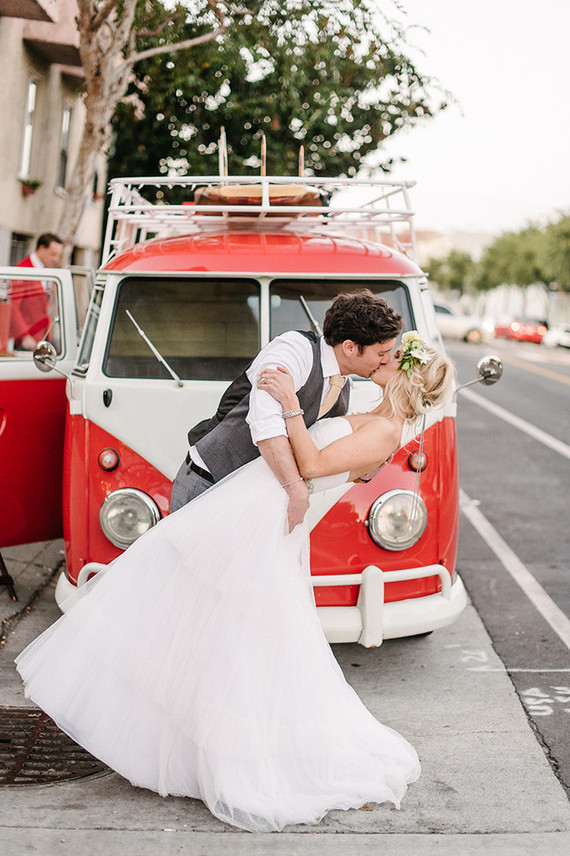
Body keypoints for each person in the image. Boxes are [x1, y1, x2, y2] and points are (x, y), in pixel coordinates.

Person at [15, 330, 454, 833]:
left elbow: (310, 462)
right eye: (384, 350)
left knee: (234, 637)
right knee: (200, 622)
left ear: (404, 375)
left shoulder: (385, 431)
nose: (385, 357)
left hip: (260, 523)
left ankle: (227, 758)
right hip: (248, 509)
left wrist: (290, 404)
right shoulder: (373, 413)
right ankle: (189, 741)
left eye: (394, 357)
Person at [170, 289, 403, 532]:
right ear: (350, 347)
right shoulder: (294, 350)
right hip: (209, 483)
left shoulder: (343, 386)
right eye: (382, 353)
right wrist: (295, 488)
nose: (386, 360)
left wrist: (364, 471)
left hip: (250, 497)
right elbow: (266, 424)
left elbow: (316, 451)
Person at [10, 233, 63, 351]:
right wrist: (23, 336)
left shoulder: (48, 271)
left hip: (44, 336)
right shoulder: (22, 270)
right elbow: (13, 307)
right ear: (41, 249)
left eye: (58, 255)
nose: (56, 259)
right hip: (26, 341)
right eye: (53, 254)